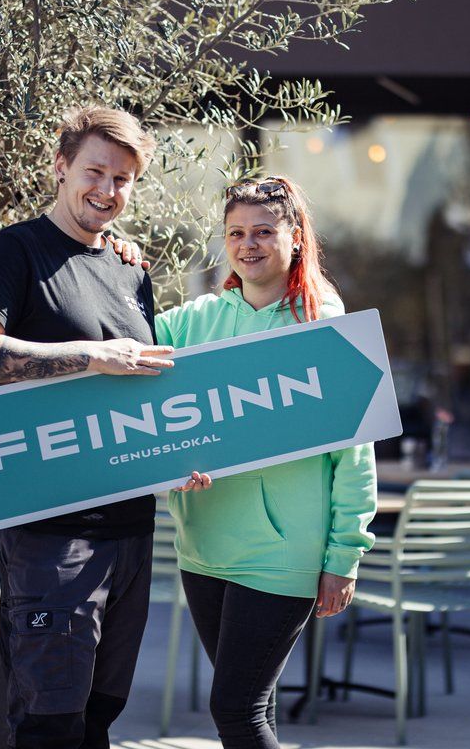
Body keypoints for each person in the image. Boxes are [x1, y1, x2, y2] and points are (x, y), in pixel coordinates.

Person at [0, 105, 210, 749]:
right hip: (48, 532)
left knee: (97, 719)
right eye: (95, 171)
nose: (107, 191)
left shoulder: (130, 270)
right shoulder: (15, 249)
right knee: (49, 723)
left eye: (123, 180)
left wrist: (177, 453)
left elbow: (141, 388)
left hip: (129, 531)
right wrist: (94, 357)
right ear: (61, 168)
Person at [153, 176, 378, 749]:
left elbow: (354, 452)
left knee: (236, 709)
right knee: (257, 707)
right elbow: (134, 384)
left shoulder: (322, 322)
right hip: (203, 546)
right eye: (235, 233)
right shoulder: (193, 320)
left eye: (263, 231)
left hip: (282, 551)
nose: (248, 244)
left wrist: (343, 556)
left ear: (295, 236)